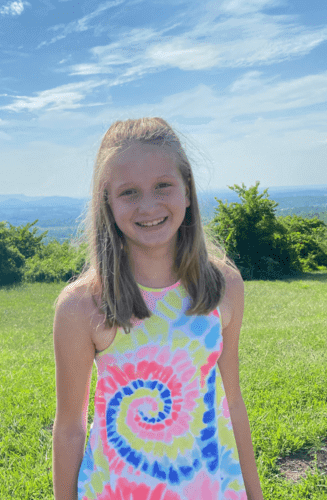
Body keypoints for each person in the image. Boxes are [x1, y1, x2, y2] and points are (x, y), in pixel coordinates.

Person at [52, 118, 263, 499]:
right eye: (129, 192)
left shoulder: (224, 288)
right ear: (108, 204)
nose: (148, 205)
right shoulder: (82, 306)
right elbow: (69, 427)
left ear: (187, 191)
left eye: (163, 185)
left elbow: (231, 402)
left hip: (210, 488)